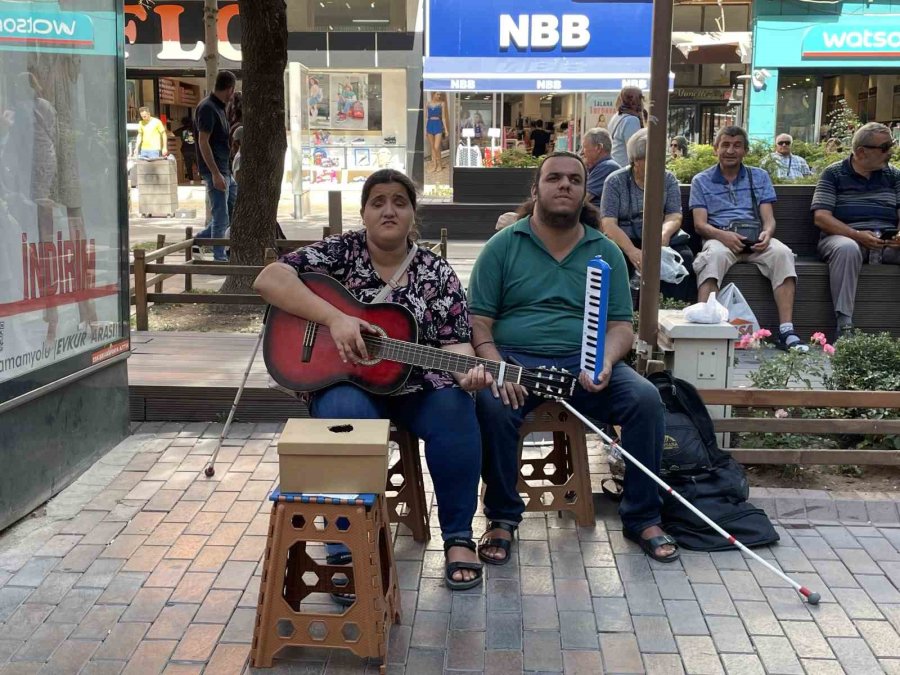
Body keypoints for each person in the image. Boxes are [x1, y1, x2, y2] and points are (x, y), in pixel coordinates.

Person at [253, 169, 491, 591]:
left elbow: (456, 344)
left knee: (456, 412)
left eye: (399, 201)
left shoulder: (435, 272)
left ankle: (458, 537)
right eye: (377, 201)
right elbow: (268, 278)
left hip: (419, 384)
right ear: (363, 213)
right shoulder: (339, 253)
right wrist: (336, 318)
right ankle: (345, 544)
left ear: (412, 215)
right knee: (346, 417)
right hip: (346, 382)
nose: (388, 210)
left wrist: (467, 372)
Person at [468, 151, 678, 566]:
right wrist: (497, 366)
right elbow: (478, 322)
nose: (564, 185)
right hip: (517, 363)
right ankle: (502, 517)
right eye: (554, 178)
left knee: (645, 399)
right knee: (492, 404)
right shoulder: (502, 247)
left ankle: (643, 516)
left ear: (585, 193)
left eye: (574, 180)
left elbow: (621, 326)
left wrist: (604, 360)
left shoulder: (605, 251)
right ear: (536, 189)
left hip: (584, 363)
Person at [690, 125, 807, 351]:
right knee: (712, 256)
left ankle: (786, 331)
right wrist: (724, 235)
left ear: (745, 150)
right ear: (715, 149)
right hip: (720, 237)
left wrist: (767, 233)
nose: (730, 151)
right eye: (725, 145)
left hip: (756, 240)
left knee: (782, 253)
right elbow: (700, 224)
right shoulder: (701, 180)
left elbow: (769, 219)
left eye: (737, 146)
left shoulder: (759, 176)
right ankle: (704, 329)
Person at [811, 122, 900, 338]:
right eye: (885, 147)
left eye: (891, 145)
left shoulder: (894, 175)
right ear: (861, 152)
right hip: (844, 237)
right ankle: (845, 326)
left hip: (887, 240)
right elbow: (821, 217)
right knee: (847, 248)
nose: (890, 152)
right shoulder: (834, 174)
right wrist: (857, 235)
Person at [601, 129, 694, 302]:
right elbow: (609, 223)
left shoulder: (668, 179)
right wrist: (632, 252)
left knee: (684, 258)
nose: (658, 163)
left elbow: (674, 215)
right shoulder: (615, 181)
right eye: (650, 159)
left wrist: (663, 234)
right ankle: (627, 316)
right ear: (635, 160)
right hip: (625, 240)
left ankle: (670, 309)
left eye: (660, 158)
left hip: (658, 238)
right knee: (619, 260)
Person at [194, 70, 237, 262]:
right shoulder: (208, 108)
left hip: (224, 168)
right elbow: (203, 141)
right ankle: (219, 256)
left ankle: (200, 240)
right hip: (216, 170)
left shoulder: (220, 107)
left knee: (232, 208)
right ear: (230, 89)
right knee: (221, 215)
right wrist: (215, 173)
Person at [582, 127, 619, 209]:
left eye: (584, 147)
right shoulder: (600, 166)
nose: (582, 152)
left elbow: (582, 199)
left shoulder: (607, 166)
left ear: (598, 147)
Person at [608, 86, 644, 166]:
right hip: (625, 169)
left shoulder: (617, 116)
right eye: (641, 98)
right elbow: (635, 150)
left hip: (616, 165)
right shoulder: (632, 120)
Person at [425, 92, 447, 173]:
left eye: (440, 95)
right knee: (433, 147)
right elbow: (426, 117)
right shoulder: (427, 104)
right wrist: (425, 129)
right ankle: (435, 166)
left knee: (436, 147)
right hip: (430, 125)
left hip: (438, 124)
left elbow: (444, 118)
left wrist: (446, 129)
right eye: (437, 94)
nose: (439, 96)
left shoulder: (442, 103)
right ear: (433, 94)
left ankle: (440, 164)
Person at [175, 116, 197, 183]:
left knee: (188, 165)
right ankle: (202, 179)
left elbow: (172, 134)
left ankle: (191, 180)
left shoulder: (181, 130)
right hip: (195, 149)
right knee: (198, 164)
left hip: (186, 150)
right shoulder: (196, 129)